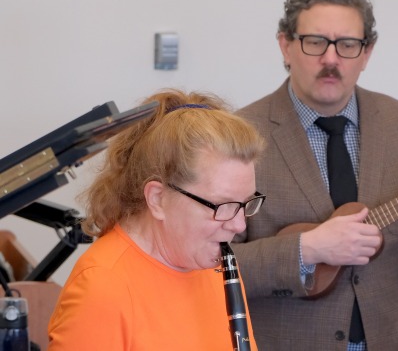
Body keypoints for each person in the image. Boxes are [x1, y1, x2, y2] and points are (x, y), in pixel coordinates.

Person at [231, 0, 398, 351]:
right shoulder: (238, 138)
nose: (331, 60)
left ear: (367, 53)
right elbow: (215, 267)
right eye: (315, 42)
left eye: (347, 45)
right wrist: (306, 250)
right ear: (285, 45)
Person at [47, 89, 265, 350]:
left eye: (245, 204)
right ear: (158, 198)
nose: (239, 225)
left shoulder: (215, 265)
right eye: (221, 205)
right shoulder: (101, 287)